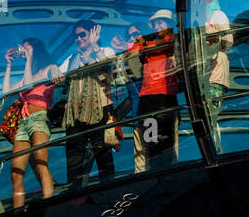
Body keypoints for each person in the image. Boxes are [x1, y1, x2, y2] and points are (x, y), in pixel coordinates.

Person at [3, 37, 60, 207]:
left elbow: (30, 84)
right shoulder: (27, 75)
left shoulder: (48, 68)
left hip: (39, 118)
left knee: (41, 163)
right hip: (24, 122)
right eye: (23, 49)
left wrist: (28, 60)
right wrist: (8, 65)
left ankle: (49, 204)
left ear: (37, 49)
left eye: (27, 49)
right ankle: (17, 211)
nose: (24, 51)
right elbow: (6, 92)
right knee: (16, 172)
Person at [120, 10, 180, 171]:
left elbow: (164, 43)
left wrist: (145, 44)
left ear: (169, 24)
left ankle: (167, 174)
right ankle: (155, 173)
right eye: (155, 24)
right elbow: (131, 53)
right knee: (151, 140)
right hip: (148, 99)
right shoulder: (146, 42)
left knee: (166, 142)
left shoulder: (171, 38)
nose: (157, 26)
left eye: (161, 23)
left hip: (165, 96)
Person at [60, 20, 118, 186]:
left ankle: (108, 190)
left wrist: (94, 50)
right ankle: (75, 197)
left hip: (99, 110)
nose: (78, 38)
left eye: (82, 34)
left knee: (102, 156)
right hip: (75, 115)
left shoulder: (106, 51)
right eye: (75, 36)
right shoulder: (72, 59)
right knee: (73, 159)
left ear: (93, 33)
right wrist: (52, 69)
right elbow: (56, 77)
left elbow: (110, 74)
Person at [204, 0, 234, 148]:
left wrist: (210, 33)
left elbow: (228, 41)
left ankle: (215, 151)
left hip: (215, 73)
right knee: (204, 119)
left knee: (211, 116)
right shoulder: (197, 17)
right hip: (201, 72)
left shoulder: (217, 15)